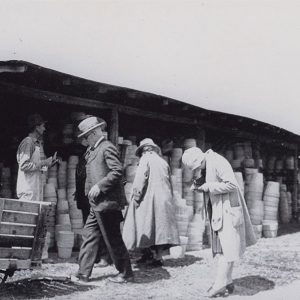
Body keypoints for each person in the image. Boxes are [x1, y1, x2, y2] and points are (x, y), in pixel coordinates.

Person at [182, 147, 257, 298]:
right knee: (225, 248)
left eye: (198, 167)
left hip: (228, 210)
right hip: (219, 210)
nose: (198, 169)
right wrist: (199, 183)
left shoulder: (218, 161)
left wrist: (208, 187)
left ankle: (219, 285)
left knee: (226, 249)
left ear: (201, 160)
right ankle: (227, 281)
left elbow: (231, 184)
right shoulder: (209, 162)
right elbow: (212, 179)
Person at [75, 116, 133, 283]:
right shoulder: (93, 150)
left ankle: (126, 273)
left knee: (113, 239)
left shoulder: (107, 148)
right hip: (96, 204)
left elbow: (117, 171)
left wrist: (100, 186)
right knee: (89, 236)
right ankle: (83, 274)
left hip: (108, 203)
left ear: (93, 133)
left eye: (85, 137)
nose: (85, 141)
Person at [122, 138, 180, 267]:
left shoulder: (145, 159)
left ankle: (147, 254)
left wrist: (136, 196)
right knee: (160, 229)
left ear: (146, 150)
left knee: (145, 226)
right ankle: (158, 257)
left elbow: (140, 179)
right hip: (165, 199)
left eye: (142, 151)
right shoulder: (163, 162)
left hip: (150, 198)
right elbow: (170, 182)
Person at [16, 113, 57, 263]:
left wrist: (47, 164)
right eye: (43, 125)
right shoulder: (28, 143)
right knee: (27, 222)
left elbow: (37, 167)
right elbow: (24, 165)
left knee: (38, 222)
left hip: (36, 187)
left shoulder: (37, 143)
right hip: (28, 188)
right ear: (36, 127)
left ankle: (37, 257)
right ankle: (22, 257)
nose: (45, 128)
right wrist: (42, 163)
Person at [74, 118, 111, 267]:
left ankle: (104, 257)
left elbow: (109, 173)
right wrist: (78, 192)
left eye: (86, 136)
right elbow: (83, 175)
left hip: (97, 195)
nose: (85, 139)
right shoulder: (87, 153)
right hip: (84, 196)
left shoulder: (102, 150)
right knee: (90, 229)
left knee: (101, 228)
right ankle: (93, 257)